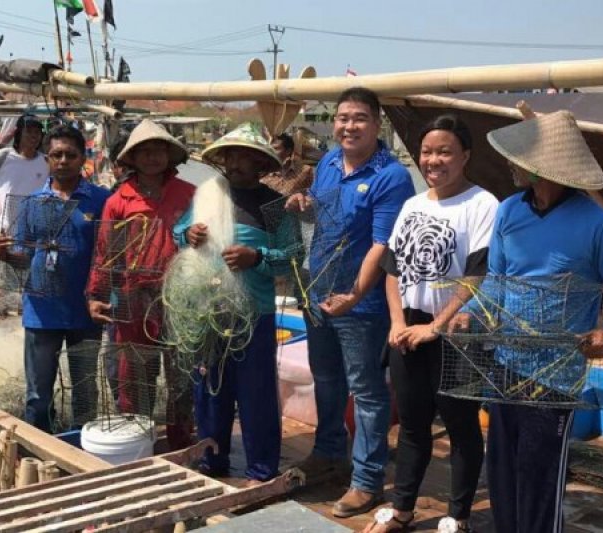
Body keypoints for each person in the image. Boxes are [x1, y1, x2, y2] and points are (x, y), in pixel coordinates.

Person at [483, 110, 603, 532]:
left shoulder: (600, 225)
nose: (510, 164)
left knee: (540, 478)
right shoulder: (507, 211)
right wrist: (468, 316)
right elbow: (496, 281)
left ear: (543, 167)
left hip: (555, 376)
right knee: (501, 471)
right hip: (503, 364)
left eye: (518, 157)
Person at [364, 115, 497, 533]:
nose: (433, 160)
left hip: (456, 331)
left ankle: (457, 516)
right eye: (426, 152)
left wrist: (436, 326)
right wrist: (398, 321)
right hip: (409, 328)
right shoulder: (413, 204)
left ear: (465, 156)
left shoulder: (483, 204)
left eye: (444, 152)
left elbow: (478, 274)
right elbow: (392, 269)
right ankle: (402, 509)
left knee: (461, 426)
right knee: (412, 425)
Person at [286, 87, 415, 517]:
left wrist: (355, 294)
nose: (349, 126)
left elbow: (383, 245)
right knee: (326, 380)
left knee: (367, 391)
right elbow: (321, 216)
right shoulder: (326, 162)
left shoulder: (391, 175)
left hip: (360, 305)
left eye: (359, 118)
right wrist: (303, 203)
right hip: (318, 292)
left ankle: (366, 479)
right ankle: (328, 454)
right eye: (342, 117)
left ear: (378, 124)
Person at [173, 122, 285, 485]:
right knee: (208, 391)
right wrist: (187, 235)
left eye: (245, 157)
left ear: (261, 165)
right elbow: (180, 232)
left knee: (257, 394)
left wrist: (258, 256)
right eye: (230, 156)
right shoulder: (207, 194)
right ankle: (211, 463)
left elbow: (293, 256)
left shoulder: (275, 205)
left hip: (255, 314)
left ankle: (261, 471)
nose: (235, 163)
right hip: (209, 310)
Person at [0, 125, 110, 432]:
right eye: (56, 154)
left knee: (85, 392)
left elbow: (110, 257)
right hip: (42, 312)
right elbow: (25, 257)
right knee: (38, 396)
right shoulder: (31, 204)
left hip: (85, 313)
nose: (63, 160)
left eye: (71, 154)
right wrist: (3, 255)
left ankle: (84, 452)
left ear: (83, 157)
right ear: (47, 160)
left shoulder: (101, 201)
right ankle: (41, 450)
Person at [86, 119, 196, 450]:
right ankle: (139, 445)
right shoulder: (119, 200)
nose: (152, 157)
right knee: (133, 376)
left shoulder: (189, 194)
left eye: (158, 150)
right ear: (132, 158)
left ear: (169, 155)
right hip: (132, 297)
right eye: (144, 152)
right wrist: (96, 295)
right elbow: (105, 253)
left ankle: (180, 444)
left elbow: (208, 244)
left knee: (181, 376)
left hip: (179, 297)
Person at [0, 114, 49, 237]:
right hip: (5, 233)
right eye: (29, 131)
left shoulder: (45, 161)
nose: (34, 136)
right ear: (19, 133)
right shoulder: (5, 155)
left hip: (35, 233)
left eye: (37, 132)